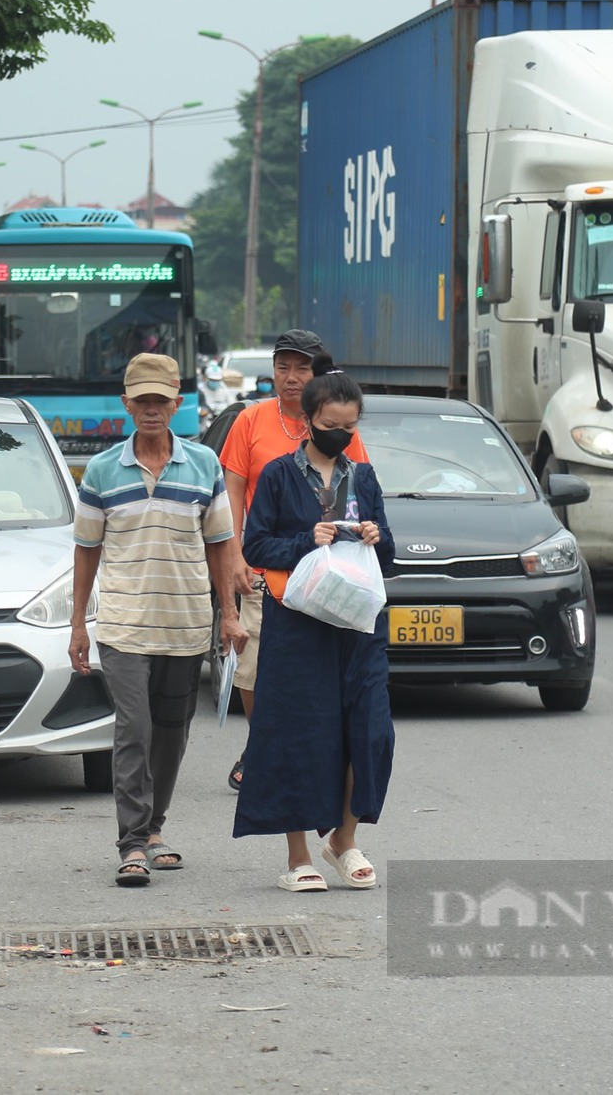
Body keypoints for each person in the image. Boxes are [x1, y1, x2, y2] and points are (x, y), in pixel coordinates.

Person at [69, 353, 248, 887]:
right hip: (124, 621)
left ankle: (154, 830)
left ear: (176, 403)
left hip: (185, 619)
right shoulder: (101, 470)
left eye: (160, 401)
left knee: (171, 732)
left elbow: (220, 544)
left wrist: (229, 615)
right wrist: (79, 624)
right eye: (141, 401)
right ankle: (131, 842)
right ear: (126, 405)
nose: (152, 410)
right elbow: (86, 550)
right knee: (135, 727)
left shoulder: (204, 465)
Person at [235, 369, 396, 891]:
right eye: (331, 424)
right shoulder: (281, 475)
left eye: (349, 427)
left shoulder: (363, 478)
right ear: (307, 421)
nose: (340, 434)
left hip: (357, 625)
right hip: (298, 623)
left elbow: (388, 555)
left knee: (370, 731)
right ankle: (298, 856)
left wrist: (374, 535)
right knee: (298, 732)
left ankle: (343, 840)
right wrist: (308, 539)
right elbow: (256, 546)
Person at [218, 330, 369, 790]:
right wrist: (235, 557)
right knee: (253, 668)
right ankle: (262, 743)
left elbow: (357, 491)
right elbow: (232, 493)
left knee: (314, 668)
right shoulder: (251, 420)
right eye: (282, 367)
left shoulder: (337, 424)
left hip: (325, 568)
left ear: (317, 373)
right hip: (266, 566)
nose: (291, 377)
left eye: (301, 368)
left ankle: (302, 747)